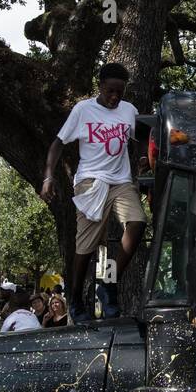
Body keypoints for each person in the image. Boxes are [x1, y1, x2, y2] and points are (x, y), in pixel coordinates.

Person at [40, 62, 148, 320]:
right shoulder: (83, 109)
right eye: (110, 91)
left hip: (120, 181)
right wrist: (48, 177)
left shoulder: (128, 110)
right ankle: (75, 298)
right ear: (100, 86)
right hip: (90, 182)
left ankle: (109, 286)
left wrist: (144, 155)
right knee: (85, 250)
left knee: (138, 222)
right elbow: (57, 143)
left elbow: (143, 134)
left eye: (119, 92)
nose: (114, 97)